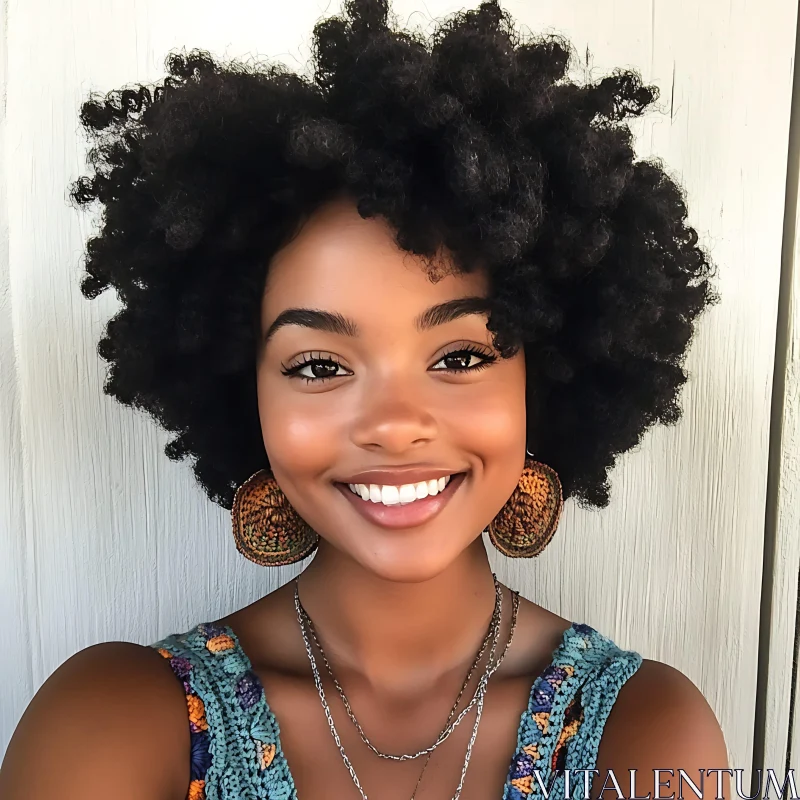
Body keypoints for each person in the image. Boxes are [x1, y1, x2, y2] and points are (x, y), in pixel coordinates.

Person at [0, 0, 730, 798]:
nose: (392, 425)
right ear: (243, 393)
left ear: (545, 377)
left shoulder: (643, 729)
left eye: (459, 354)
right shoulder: (115, 722)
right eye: (318, 365)